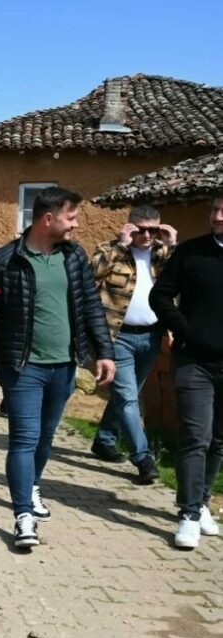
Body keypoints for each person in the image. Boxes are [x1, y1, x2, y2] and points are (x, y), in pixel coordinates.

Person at [0, 186, 115, 548]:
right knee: (24, 438)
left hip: (64, 364)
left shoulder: (74, 256)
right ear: (48, 219)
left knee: (46, 436)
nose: (76, 225)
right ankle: (22, 515)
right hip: (22, 367)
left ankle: (32, 487)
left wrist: (104, 351)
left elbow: (90, 305)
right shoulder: (4, 260)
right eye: (71, 217)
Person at [149, 195, 223, 549]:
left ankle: (204, 501)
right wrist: (184, 328)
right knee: (196, 436)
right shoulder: (191, 253)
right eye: (214, 209)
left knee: (219, 440)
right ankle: (189, 513)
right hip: (194, 361)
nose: (218, 216)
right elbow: (160, 295)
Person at [91, 205, 177, 484]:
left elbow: (182, 277)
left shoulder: (163, 255)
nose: (148, 235)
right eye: (142, 229)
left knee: (127, 394)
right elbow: (92, 273)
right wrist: (121, 244)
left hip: (151, 336)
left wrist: (173, 244)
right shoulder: (110, 249)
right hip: (118, 337)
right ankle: (143, 458)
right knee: (128, 398)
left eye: (154, 230)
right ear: (131, 227)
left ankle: (104, 439)